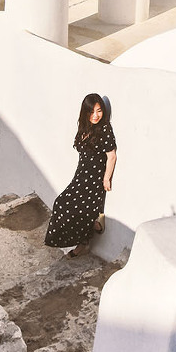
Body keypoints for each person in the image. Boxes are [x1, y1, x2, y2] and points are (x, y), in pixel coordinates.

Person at [44, 93, 117, 257]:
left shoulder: (104, 128)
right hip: (80, 176)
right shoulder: (84, 127)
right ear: (85, 113)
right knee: (60, 204)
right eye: (92, 112)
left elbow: (111, 156)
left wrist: (106, 178)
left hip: (94, 179)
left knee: (78, 211)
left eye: (99, 111)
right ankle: (93, 227)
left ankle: (83, 243)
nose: (96, 115)